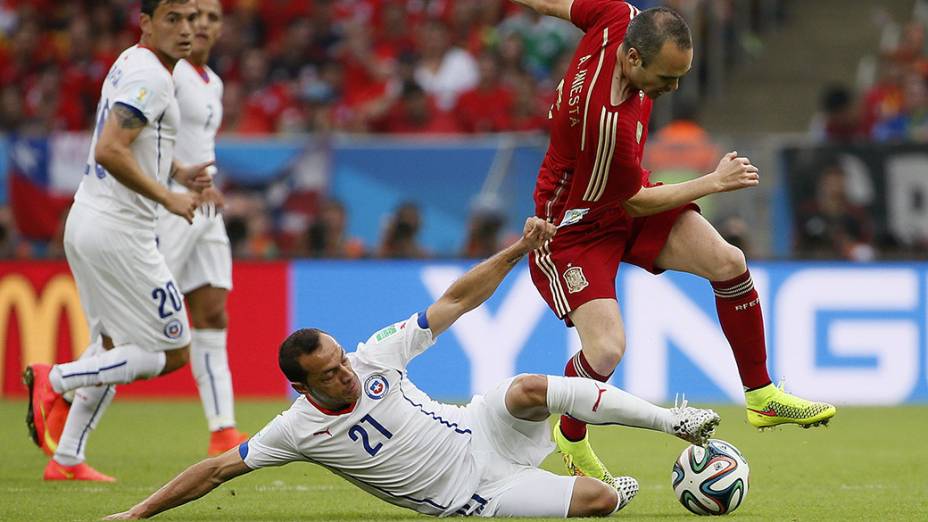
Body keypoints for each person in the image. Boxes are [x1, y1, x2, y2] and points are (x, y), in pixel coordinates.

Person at [103, 217, 720, 520]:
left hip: (479, 428)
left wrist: (518, 248)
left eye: (342, 361)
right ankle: (614, 490)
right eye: (330, 374)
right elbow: (214, 470)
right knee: (598, 503)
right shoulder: (295, 430)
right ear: (303, 386)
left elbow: (454, 302)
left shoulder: (374, 355)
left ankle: (676, 422)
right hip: (473, 492)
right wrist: (135, 515)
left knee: (529, 388)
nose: (346, 374)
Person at [511, 0, 836, 485]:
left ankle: (761, 396)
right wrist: (714, 181)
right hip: (571, 229)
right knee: (606, 350)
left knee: (728, 261)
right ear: (634, 59)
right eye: (667, 77)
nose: (673, 88)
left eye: (681, 75)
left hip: (617, 200)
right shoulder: (605, 121)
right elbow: (638, 202)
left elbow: (557, 4)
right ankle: (571, 436)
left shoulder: (619, 15)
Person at [23, 0, 211, 482]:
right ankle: (56, 378)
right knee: (170, 352)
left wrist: (176, 170)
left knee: (111, 344)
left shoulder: (131, 60)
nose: (187, 30)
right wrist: (169, 197)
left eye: (192, 19)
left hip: (89, 220)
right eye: (173, 19)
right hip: (120, 232)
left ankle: (66, 459)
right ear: (146, 23)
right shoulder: (153, 78)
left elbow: (139, 143)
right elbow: (111, 149)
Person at [153, 0, 248, 456]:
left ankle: (223, 429)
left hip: (207, 208)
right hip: (170, 205)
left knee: (213, 313)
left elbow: (198, 142)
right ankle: (64, 391)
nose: (202, 26)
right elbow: (146, 137)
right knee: (135, 321)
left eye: (211, 17)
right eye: (194, 17)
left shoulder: (215, 82)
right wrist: (180, 178)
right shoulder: (166, 74)